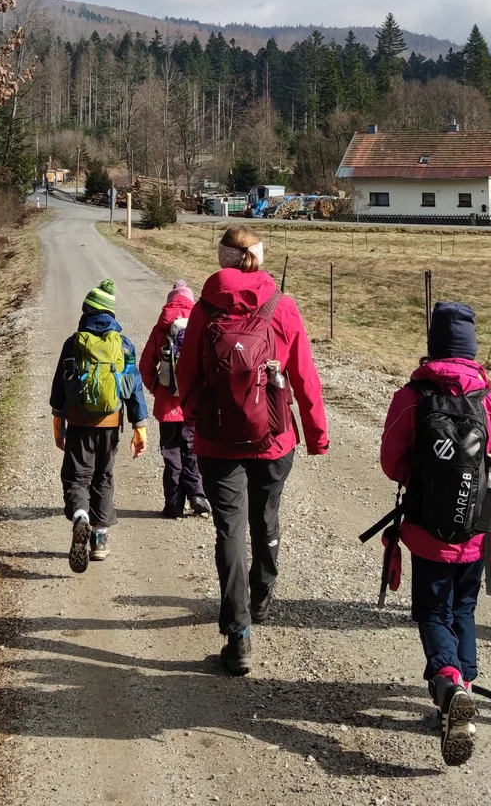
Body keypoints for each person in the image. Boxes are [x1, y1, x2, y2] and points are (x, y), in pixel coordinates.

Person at [176, 224, 329, 676]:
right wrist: (317, 434)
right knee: (266, 519)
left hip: (216, 439)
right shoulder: (282, 307)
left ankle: (238, 635)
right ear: (259, 257)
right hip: (274, 436)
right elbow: (304, 376)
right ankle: (262, 593)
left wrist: (190, 414)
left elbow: (187, 372)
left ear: (222, 259)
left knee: (230, 531)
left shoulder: (205, 308)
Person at [378, 300, 491, 767]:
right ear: (472, 348)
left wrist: (423, 477)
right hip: (478, 531)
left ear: (433, 345)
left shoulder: (412, 396)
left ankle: (448, 681)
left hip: (426, 528)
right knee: (463, 607)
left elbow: (390, 462)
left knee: (430, 611)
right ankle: (464, 686)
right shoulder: (490, 401)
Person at [50, 277, 149, 573]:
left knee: (77, 477)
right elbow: (134, 386)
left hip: (79, 422)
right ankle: (100, 539)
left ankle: (81, 515)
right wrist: (139, 424)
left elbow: (60, 386)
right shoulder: (124, 344)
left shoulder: (73, 344)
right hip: (110, 423)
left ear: (86, 312)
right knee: (103, 476)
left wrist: (59, 420)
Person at [141, 280, 210, 518]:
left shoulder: (160, 329)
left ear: (169, 302)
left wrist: (156, 388)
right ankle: (198, 495)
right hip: (194, 405)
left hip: (167, 404)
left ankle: (173, 506)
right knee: (192, 451)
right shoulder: (201, 326)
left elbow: (145, 367)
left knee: (171, 455)